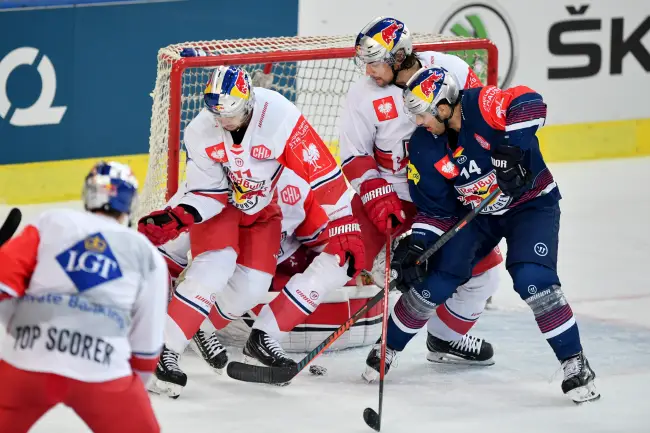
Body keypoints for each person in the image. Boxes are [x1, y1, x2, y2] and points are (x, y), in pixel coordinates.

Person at [139, 65, 364, 398]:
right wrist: (179, 216)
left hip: (263, 209)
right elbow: (208, 193)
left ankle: (197, 325)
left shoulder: (278, 115)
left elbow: (322, 171)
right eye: (217, 115)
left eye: (229, 114)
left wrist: (345, 223)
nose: (223, 123)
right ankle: (165, 350)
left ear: (248, 101)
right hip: (223, 206)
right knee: (215, 266)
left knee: (253, 287)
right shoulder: (201, 130)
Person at [380, 65, 599, 403]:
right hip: (480, 216)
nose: (418, 122)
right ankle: (387, 349)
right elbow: (437, 209)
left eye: (422, 113)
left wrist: (512, 148)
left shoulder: (480, 104)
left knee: (533, 278)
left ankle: (574, 362)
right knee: (437, 275)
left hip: (531, 205)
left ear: (443, 105)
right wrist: (419, 246)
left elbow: (530, 103)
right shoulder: (425, 145)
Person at [340, 16, 501, 372]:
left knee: (486, 275)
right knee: (343, 261)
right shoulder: (361, 95)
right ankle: (281, 328)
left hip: (446, 197)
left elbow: (480, 120)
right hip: (390, 195)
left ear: (399, 56)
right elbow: (353, 156)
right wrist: (377, 196)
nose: (368, 71)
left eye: (375, 61)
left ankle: (444, 338)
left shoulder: (451, 69)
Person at [0, 161, 166, 432]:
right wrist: (130, 387)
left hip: (28, 358)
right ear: (130, 204)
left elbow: (3, 284)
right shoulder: (147, 253)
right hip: (102, 367)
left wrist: (21, 332)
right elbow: (147, 342)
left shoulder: (52, 221)